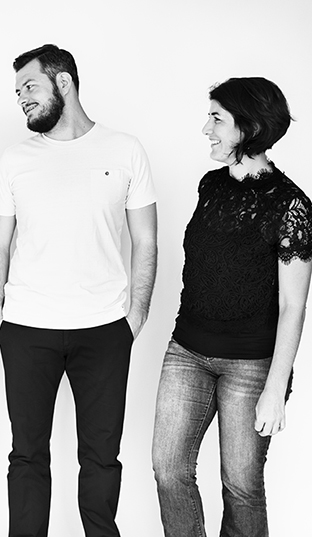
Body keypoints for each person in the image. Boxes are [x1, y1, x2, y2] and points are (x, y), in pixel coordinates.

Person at [0, 44, 157, 537]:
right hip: (26, 327)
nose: (22, 98)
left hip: (104, 328)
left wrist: (136, 315)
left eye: (30, 86)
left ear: (63, 82)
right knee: (27, 455)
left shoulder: (125, 150)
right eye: (18, 91)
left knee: (102, 457)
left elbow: (146, 240)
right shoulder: (16, 158)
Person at [152, 77, 311, 537]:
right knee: (168, 470)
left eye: (216, 119)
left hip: (252, 365)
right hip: (186, 352)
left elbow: (293, 305)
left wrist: (276, 386)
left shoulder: (292, 206)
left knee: (241, 486)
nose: (206, 129)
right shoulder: (210, 186)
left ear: (250, 127)